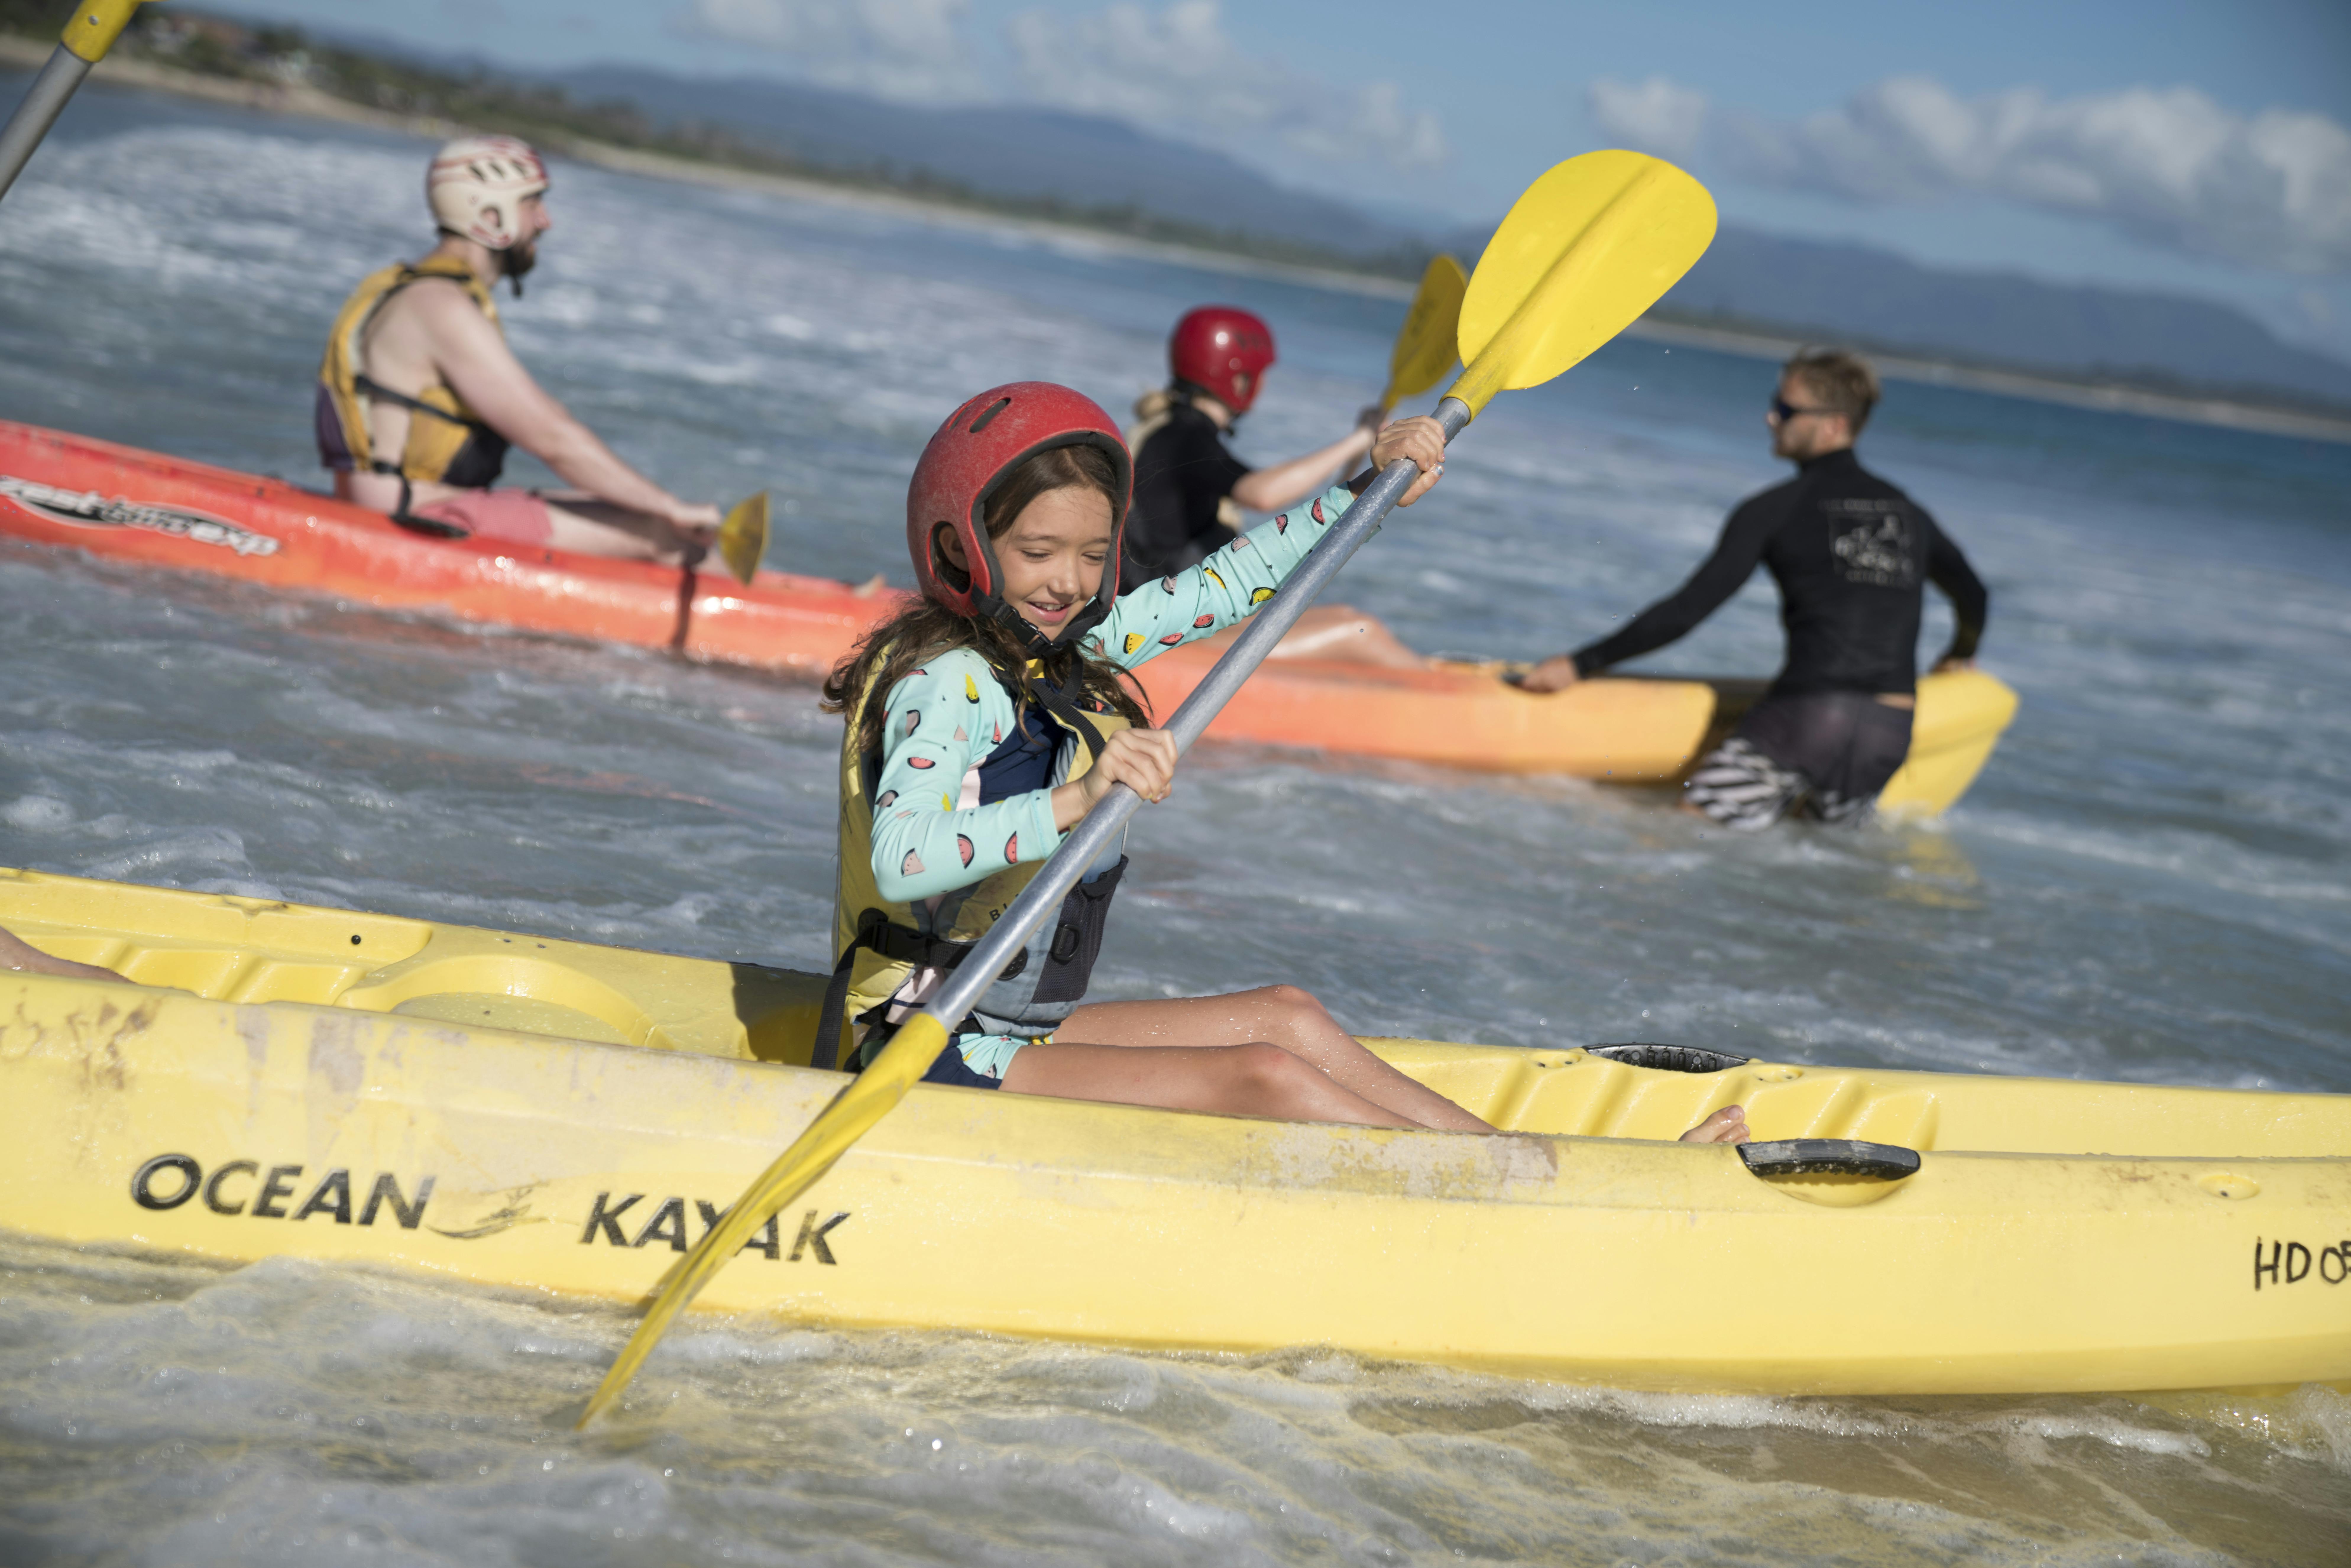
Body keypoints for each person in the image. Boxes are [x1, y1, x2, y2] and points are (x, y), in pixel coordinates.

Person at [818, 379, 1749, 1142]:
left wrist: (1361, 494)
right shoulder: (945, 684)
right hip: (917, 1041)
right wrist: (1077, 800)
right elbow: (907, 855)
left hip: (997, 1019)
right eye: (1036, 552)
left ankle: (1518, 1166)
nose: (1067, 579)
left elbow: (1224, 586)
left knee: (1286, 1018)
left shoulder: (1065, 645)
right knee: (1262, 1075)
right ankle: (1544, 1193)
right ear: (959, 546)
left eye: (1092, 555)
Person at [1522, 350, 1989, 830]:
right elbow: (1973, 594)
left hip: (1804, 720)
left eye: (1786, 410)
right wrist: (1959, 652)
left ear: (1832, 425)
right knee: (1810, 869)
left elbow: (1688, 610)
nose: (1771, 418)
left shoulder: (1775, 509)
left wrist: (1580, 663)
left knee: (1681, 836)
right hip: (1887, 733)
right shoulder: (1908, 514)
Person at [315, 136, 722, 562]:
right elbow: (553, 438)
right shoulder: (440, 307)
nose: (546, 222)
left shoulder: (419, 292)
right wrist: (669, 508)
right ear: (490, 215)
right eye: (533, 204)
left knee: (613, 511)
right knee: (674, 540)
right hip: (405, 521)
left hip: (396, 506)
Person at [1126, 306, 1429, 670]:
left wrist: (1359, 448)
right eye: (1260, 374)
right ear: (1237, 378)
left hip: (1172, 620)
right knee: (1357, 630)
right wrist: (1360, 439)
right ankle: (1454, 696)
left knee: (1349, 617)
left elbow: (1323, 514)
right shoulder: (1186, 438)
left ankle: (1435, 677)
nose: (1263, 385)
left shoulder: (1170, 432)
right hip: (1163, 633)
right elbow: (1262, 494)